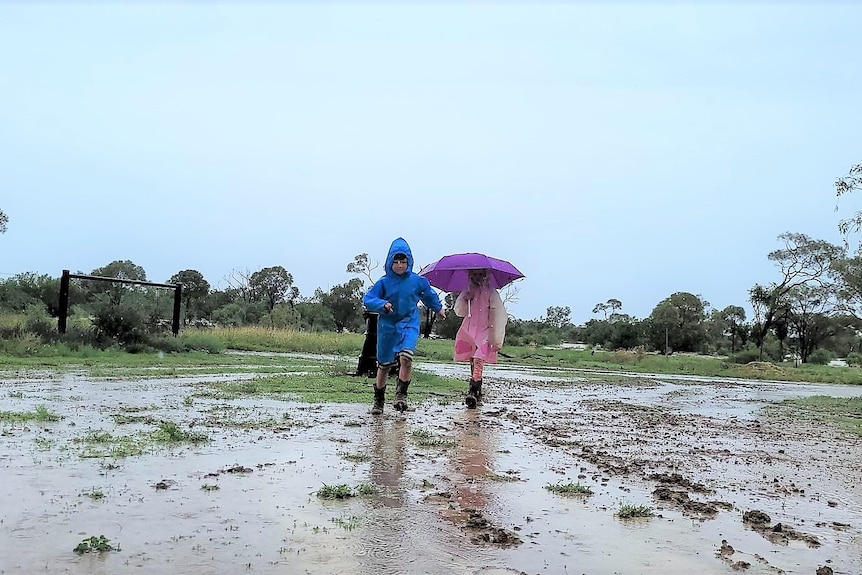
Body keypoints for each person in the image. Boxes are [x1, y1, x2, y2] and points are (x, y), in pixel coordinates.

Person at [363, 237, 445, 414]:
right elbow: (368, 299)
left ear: (409, 261)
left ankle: (401, 395)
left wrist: (438, 308)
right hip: (387, 325)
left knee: (406, 357)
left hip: (409, 322)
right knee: (384, 365)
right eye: (396, 261)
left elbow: (428, 295)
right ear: (390, 262)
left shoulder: (418, 281)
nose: (400, 265)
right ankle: (379, 400)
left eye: (403, 261)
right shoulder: (383, 282)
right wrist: (382, 305)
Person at [453, 268, 507, 408]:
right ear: (470, 275)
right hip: (469, 329)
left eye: (481, 275)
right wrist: (466, 298)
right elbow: (460, 311)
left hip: (485, 330)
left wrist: (495, 334)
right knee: (472, 359)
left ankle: (473, 389)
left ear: (486, 275)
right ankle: (477, 390)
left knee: (478, 359)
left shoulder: (491, 293)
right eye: (475, 274)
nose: (478, 277)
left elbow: (498, 313)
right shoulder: (467, 290)